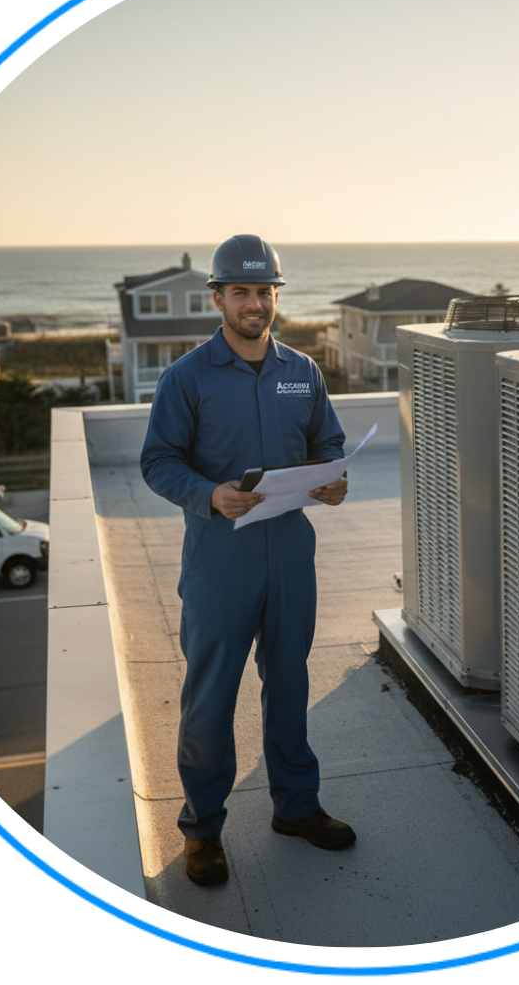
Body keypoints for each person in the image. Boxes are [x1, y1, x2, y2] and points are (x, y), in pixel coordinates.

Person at [140, 234, 355, 887]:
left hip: (290, 552)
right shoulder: (186, 378)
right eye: (242, 292)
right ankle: (202, 829)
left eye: (265, 292)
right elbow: (158, 462)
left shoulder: (302, 371)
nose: (256, 303)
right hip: (220, 560)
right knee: (210, 698)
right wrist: (209, 494)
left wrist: (334, 481)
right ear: (219, 298)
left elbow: (330, 441)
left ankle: (296, 806)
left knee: (290, 685)